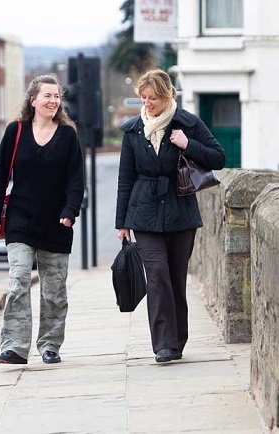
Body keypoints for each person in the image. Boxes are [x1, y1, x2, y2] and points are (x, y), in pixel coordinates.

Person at [115, 69, 226, 363]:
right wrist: (121, 223)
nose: (148, 103)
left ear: (167, 96)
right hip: (144, 212)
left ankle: (177, 341)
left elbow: (219, 157)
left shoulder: (187, 123)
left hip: (180, 211)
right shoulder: (133, 130)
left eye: (153, 98)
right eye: (144, 97)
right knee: (157, 274)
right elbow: (125, 177)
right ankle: (163, 344)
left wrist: (188, 144)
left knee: (176, 277)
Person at [0, 74, 84, 365]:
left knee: (54, 291)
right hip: (20, 221)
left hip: (56, 223)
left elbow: (76, 180)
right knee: (18, 282)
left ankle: (50, 345)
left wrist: (70, 211)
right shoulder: (15, 131)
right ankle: (14, 347)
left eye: (57, 96)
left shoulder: (67, 135)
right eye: (48, 96)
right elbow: (0, 176)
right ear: (33, 100)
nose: (53, 101)